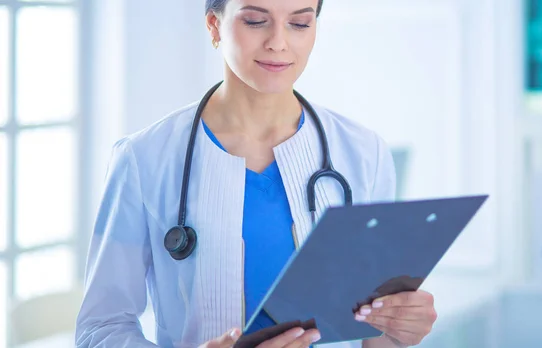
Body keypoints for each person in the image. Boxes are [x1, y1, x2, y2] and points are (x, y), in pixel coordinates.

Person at [75, 0, 438, 347]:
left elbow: (372, 326)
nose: (278, 43)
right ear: (214, 25)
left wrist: (397, 329)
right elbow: (101, 327)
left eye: (299, 23)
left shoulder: (364, 153)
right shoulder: (144, 159)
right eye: (255, 21)